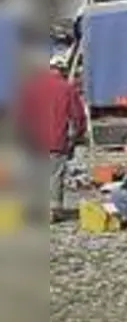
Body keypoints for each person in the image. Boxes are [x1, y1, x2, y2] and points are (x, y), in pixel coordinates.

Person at [18, 52, 87, 218]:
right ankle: (53, 210)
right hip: (58, 140)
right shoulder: (67, 88)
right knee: (55, 175)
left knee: (35, 174)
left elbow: (21, 115)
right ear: (62, 70)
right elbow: (78, 115)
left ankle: (34, 208)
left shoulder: (31, 86)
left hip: (34, 141)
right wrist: (77, 134)